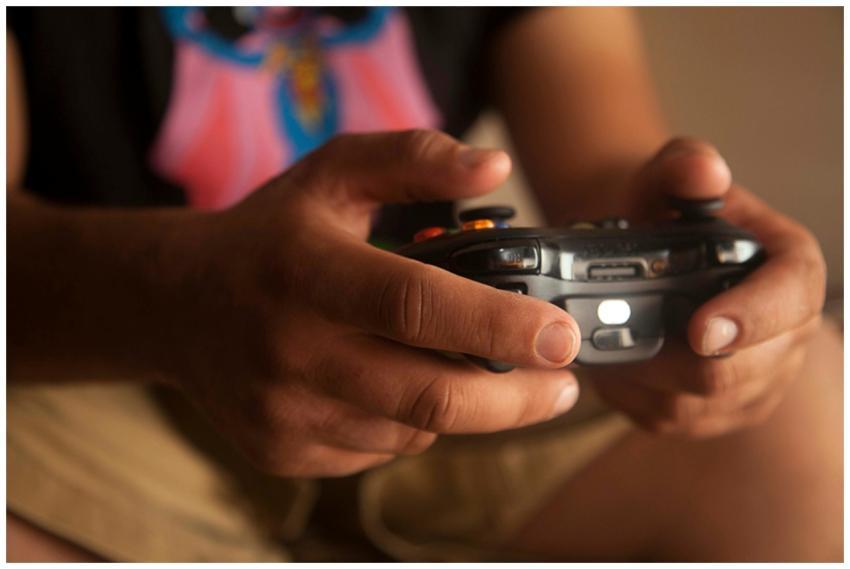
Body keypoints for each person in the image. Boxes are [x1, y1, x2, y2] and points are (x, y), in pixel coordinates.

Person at [7, 6, 841, 562]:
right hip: (99, 358)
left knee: (809, 395)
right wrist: (178, 297)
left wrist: (695, 258)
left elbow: (608, 176)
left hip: (457, 356)